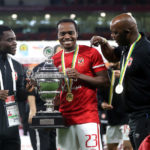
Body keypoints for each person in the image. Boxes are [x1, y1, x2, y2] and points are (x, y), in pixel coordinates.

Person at [90, 13, 150, 150]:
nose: (112, 36)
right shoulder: (126, 47)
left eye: (115, 33)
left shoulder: (145, 51)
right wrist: (104, 43)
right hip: (133, 116)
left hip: (145, 116)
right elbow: (112, 56)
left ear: (127, 32)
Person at [51, 18, 110, 150]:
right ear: (57, 36)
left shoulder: (91, 53)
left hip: (88, 117)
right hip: (64, 118)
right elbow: (54, 90)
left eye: (70, 33)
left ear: (77, 33)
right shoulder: (54, 59)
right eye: (62, 33)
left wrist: (80, 76)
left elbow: (105, 82)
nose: (67, 36)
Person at [0, 25, 26, 150]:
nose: (15, 43)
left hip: (12, 129)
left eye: (15, 39)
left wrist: (29, 89)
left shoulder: (17, 66)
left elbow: (20, 96)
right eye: (10, 40)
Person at [98, 62, 132, 150]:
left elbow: (138, 86)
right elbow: (98, 94)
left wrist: (124, 77)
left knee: (128, 147)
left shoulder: (129, 70)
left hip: (128, 118)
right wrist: (101, 103)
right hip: (112, 117)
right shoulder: (104, 74)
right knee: (111, 148)